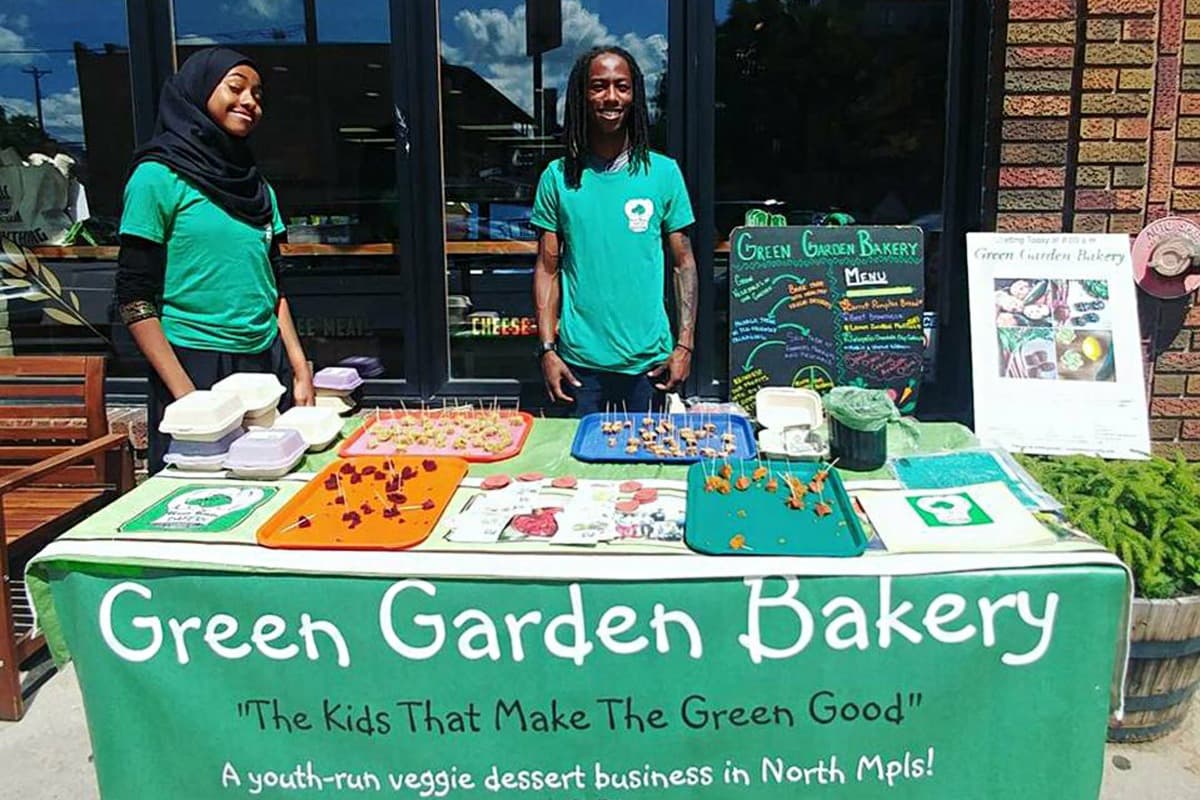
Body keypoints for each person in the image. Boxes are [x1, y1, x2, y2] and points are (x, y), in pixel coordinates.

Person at [115, 47, 312, 473]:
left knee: (273, 482)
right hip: (195, 361)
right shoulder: (157, 176)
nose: (249, 102)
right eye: (236, 87)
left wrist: (299, 367)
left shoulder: (257, 188)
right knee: (199, 494)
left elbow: (274, 286)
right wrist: (190, 398)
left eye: (258, 95)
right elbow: (133, 297)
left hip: (264, 358)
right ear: (198, 91)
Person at [531, 46, 697, 416]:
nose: (610, 97)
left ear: (634, 94)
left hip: (649, 365)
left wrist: (684, 346)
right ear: (582, 95)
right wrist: (547, 349)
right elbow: (547, 269)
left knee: (645, 469)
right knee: (577, 472)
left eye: (621, 86)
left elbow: (682, 264)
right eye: (598, 86)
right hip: (579, 367)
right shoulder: (558, 178)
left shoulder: (664, 173)